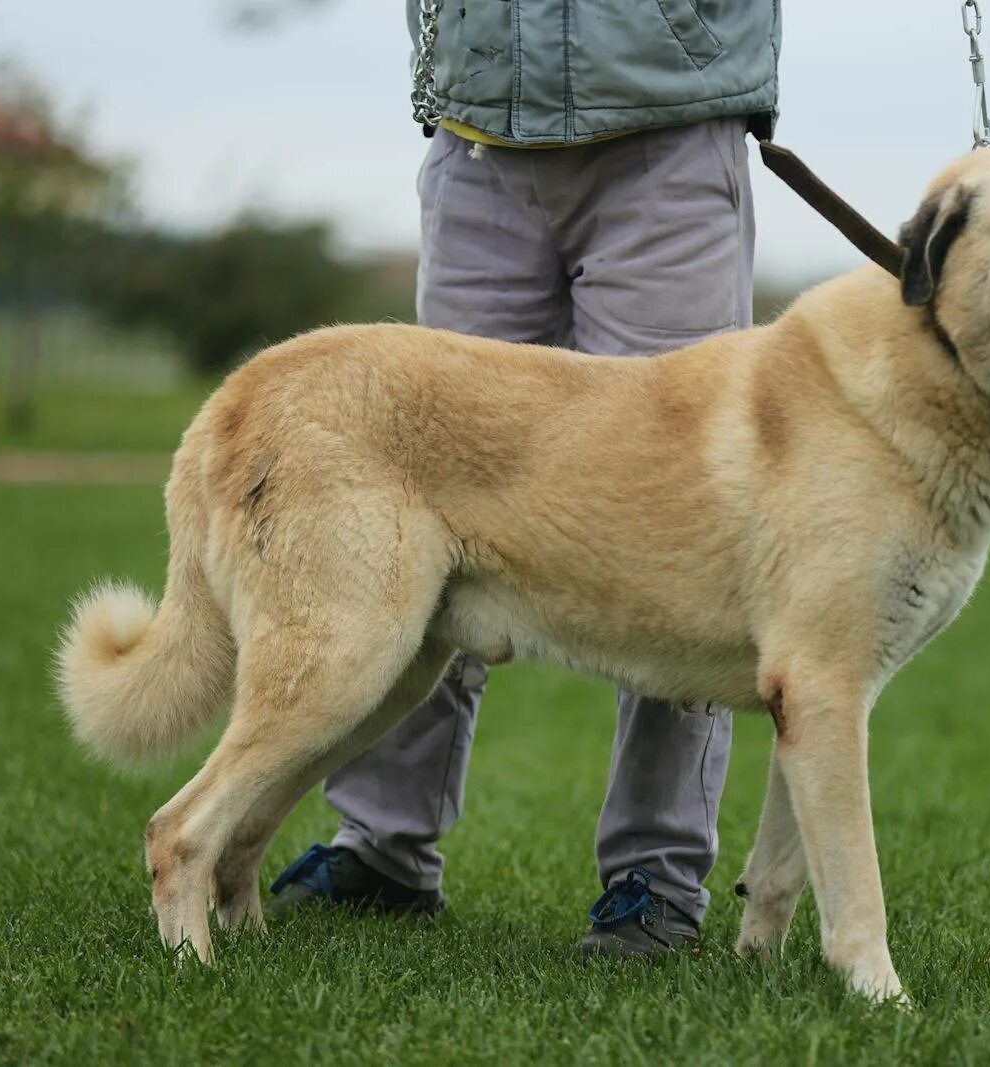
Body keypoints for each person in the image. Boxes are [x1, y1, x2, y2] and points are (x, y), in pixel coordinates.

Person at [266, 0, 782, 957]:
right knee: (424, 500)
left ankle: (656, 879)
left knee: (676, 522)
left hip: (666, 129)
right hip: (476, 143)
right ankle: (382, 846)